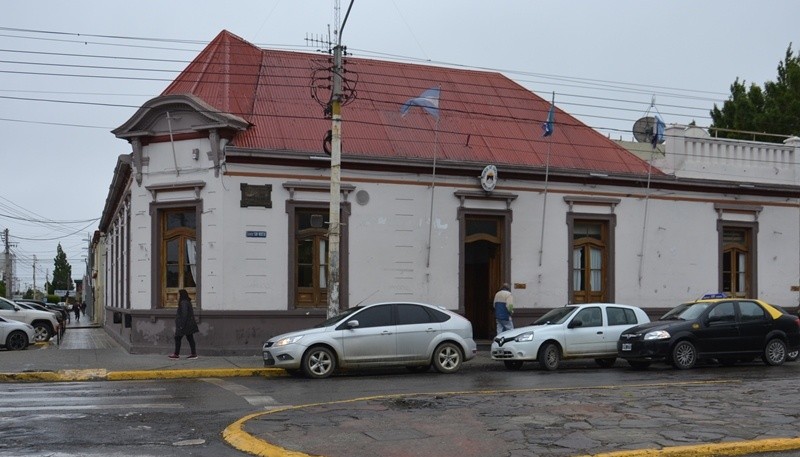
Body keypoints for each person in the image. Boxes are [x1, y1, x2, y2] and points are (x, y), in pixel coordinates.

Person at [169, 289, 199, 359]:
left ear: (182, 295)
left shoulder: (183, 302)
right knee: (190, 338)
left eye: (179, 294)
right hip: (188, 324)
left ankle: (176, 354)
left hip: (184, 325)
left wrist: (181, 326)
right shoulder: (186, 301)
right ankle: (193, 354)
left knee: (177, 338)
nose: (178, 295)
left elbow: (184, 314)